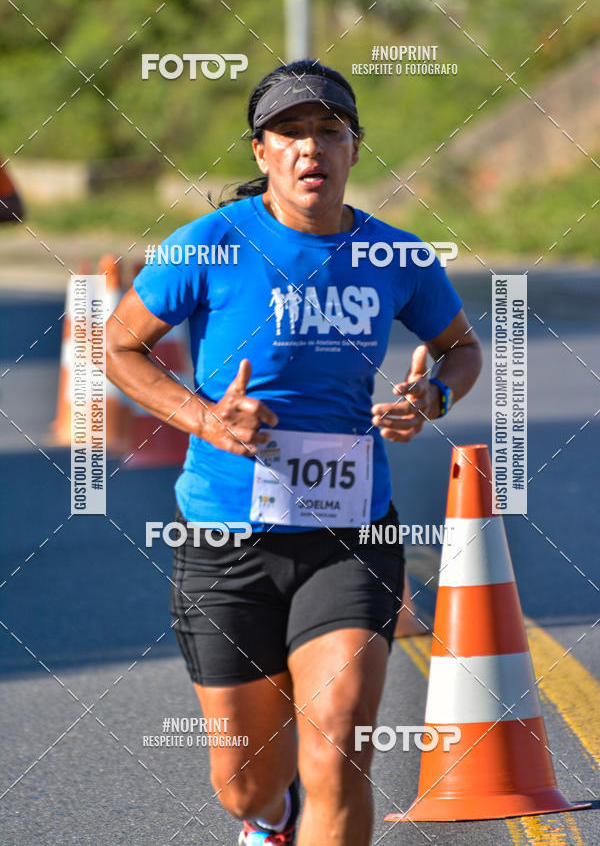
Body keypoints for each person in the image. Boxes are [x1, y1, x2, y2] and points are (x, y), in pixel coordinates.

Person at [106, 60, 482, 846]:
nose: (310, 147)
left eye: (328, 131)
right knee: (246, 780)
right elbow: (119, 345)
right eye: (289, 132)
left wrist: (433, 399)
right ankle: (271, 820)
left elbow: (460, 348)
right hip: (226, 538)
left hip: (350, 533)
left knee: (339, 742)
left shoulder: (397, 256)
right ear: (261, 150)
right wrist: (207, 419)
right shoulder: (211, 243)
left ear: (354, 147)